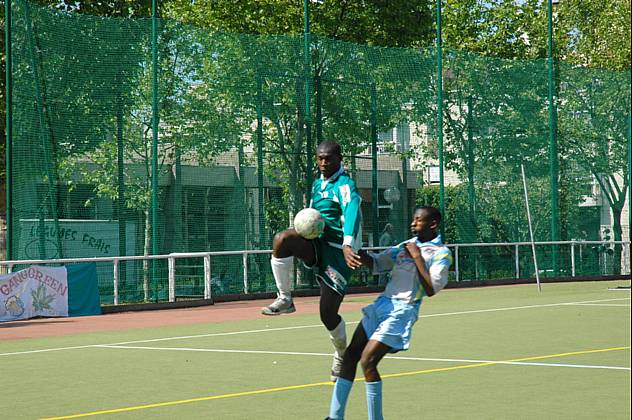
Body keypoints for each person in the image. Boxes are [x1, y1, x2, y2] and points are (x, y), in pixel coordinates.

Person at [325, 206, 452, 420]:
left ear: (433, 224)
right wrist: (354, 248)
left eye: (418, 220)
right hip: (382, 305)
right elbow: (377, 262)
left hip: (403, 310)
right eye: (413, 219)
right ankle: (335, 416)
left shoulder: (441, 253)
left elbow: (431, 288)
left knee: (368, 361)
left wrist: (418, 258)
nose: (413, 223)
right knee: (350, 356)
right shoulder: (405, 246)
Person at [261, 140, 363, 382]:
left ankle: (341, 355)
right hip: (318, 245)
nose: (323, 163)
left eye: (328, 158)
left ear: (339, 158)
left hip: (338, 253)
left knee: (327, 315)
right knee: (282, 239)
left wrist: (348, 243)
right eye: (320, 158)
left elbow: (351, 212)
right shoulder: (318, 184)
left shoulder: (345, 185)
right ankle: (285, 298)